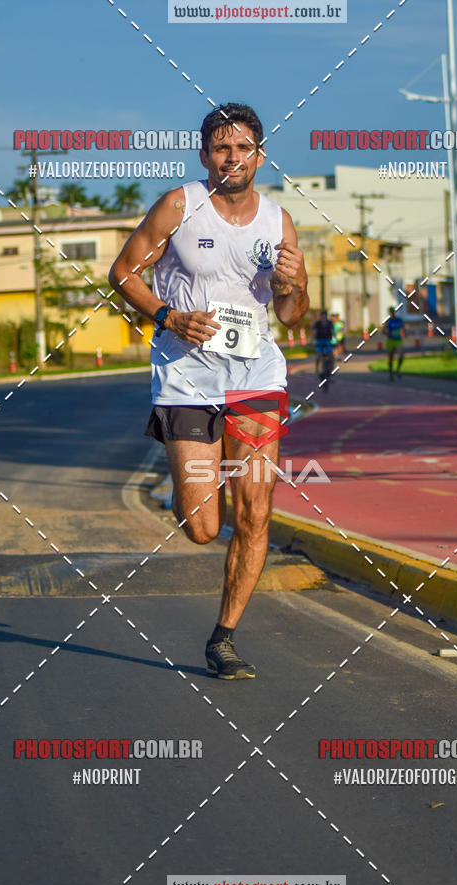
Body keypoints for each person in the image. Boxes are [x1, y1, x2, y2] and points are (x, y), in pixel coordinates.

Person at [109, 103, 309, 679]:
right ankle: (190, 484)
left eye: (243, 147)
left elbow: (294, 316)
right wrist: (169, 317)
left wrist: (297, 284)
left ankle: (223, 638)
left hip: (256, 377)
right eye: (222, 148)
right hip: (187, 377)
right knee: (203, 526)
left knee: (256, 511)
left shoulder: (279, 221)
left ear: (260, 156)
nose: (233, 157)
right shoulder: (180, 205)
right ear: (205, 156)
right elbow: (123, 271)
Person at [311, 309, 335, 377]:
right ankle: (317, 368)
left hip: (327, 340)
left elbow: (332, 332)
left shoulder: (329, 323)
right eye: (322, 317)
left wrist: (335, 341)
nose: (323, 319)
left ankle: (331, 369)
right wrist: (312, 341)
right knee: (318, 355)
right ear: (321, 317)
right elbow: (314, 333)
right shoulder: (317, 324)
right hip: (319, 341)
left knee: (331, 356)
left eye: (325, 317)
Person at [384, 306, 405, 380]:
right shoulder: (388, 321)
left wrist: (403, 333)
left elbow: (403, 328)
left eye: (393, 311)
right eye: (390, 312)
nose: (392, 313)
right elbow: (384, 331)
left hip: (398, 340)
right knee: (390, 358)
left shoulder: (399, 320)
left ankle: (398, 369)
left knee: (401, 355)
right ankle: (390, 373)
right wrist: (388, 332)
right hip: (390, 341)